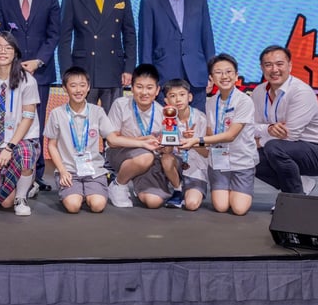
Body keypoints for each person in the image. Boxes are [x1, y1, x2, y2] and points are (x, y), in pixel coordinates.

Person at [0, 0, 60, 193]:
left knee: (34, 126)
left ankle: (36, 176)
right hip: (10, 72)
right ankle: (6, 170)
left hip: (40, 72)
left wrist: (37, 61)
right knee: (7, 120)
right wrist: (15, 63)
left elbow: (53, 35)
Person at [44, 67, 158, 214]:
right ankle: (76, 193)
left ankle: (89, 191)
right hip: (69, 171)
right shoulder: (56, 113)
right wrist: (62, 170)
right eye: (73, 86)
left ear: (89, 87)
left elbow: (113, 139)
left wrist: (142, 142)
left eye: (82, 85)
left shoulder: (97, 111)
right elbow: (52, 145)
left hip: (94, 171)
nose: (78, 90)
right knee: (73, 206)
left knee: (97, 206)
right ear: (65, 88)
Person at [58, 0, 136, 113]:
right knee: (82, 124)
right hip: (83, 72)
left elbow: (129, 34)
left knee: (114, 125)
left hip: (113, 70)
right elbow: (64, 38)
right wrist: (67, 74)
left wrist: (129, 68)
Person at [180, 54, 257, 215]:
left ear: (236, 76)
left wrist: (196, 140)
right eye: (218, 72)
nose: (224, 76)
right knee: (221, 207)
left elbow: (230, 136)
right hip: (218, 163)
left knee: (239, 209)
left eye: (229, 72)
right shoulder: (210, 102)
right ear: (211, 78)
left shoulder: (244, 101)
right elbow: (209, 139)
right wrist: (190, 142)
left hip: (241, 162)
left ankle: (238, 189)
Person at [252, 45, 318, 196]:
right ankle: (299, 184)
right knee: (247, 155)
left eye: (279, 64)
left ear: (290, 65)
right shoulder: (258, 92)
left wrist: (260, 141)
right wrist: (268, 129)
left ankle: (294, 200)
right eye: (268, 65)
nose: (274, 69)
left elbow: (291, 135)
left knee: (273, 147)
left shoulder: (300, 92)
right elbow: (253, 127)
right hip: (283, 147)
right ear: (262, 68)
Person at [138, 0, 215, 105]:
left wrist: (211, 71)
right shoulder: (150, 3)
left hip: (196, 76)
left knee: (196, 124)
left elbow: (207, 39)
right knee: (167, 125)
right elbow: (145, 43)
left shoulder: (200, 1)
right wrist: (147, 78)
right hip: (164, 75)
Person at [0, 31, 41, 216]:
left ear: (15, 53)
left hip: (20, 140)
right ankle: (21, 185)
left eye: (8, 48)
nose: (3, 52)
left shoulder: (28, 81)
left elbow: (28, 117)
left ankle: (22, 196)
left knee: (25, 153)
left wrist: (9, 147)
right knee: (2, 202)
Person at [105, 64, 173, 208]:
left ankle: (138, 184)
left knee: (153, 202)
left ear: (157, 90)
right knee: (144, 157)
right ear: (132, 86)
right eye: (139, 87)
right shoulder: (120, 104)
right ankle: (118, 184)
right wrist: (142, 142)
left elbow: (167, 147)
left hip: (150, 157)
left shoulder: (164, 113)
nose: (144, 92)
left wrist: (164, 146)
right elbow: (112, 141)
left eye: (149, 88)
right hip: (120, 152)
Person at [161, 79, 207, 211]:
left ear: (190, 97)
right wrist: (169, 133)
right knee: (166, 158)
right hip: (176, 164)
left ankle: (187, 191)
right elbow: (167, 151)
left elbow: (207, 152)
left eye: (182, 94)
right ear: (166, 101)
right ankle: (177, 190)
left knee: (191, 205)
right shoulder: (165, 118)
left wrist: (193, 141)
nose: (178, 100)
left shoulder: (201, 118)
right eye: (172, 96)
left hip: (196, 168)